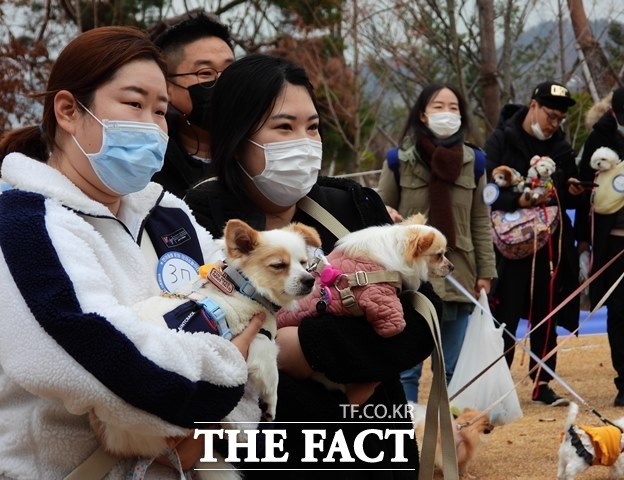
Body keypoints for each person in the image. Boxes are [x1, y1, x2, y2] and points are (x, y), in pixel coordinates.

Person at [0, 26, 263, 479]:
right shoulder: (27, 224)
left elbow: (253, 294)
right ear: (69, 110)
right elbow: (99, 355)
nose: (153, 125)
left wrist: (214, 431)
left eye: (161, 111)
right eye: (134, 104)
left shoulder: (166, 211)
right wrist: (229, 368)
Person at [183, 53, 438, 479]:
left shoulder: (354, 206)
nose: (304, 142)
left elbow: (422, 317)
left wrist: (308, 347)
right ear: (237, 134)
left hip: (373, 447)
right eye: (284, 127)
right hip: (265, 454)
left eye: (313, 127)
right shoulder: (191, 220)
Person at [377, 83, 497, 403]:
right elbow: (377, 218)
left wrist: (486, 272)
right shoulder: (398, 160)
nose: (447, 113)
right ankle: (406, 440)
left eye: (454, 107)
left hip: (459, 274)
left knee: (452, 367)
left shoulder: (476, 162)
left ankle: (449, 441)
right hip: (410, 279)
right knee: (407, 369)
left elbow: (480, 222)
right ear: (422, 114)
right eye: (438, 106)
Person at [484, 80, 584, 406]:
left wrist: (570, 189)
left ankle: (542, 384)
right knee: (506, 316)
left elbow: (568, 191)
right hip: (510, 247)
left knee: (547, 314)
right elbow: (487, 191)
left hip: (550, 247)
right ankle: (498, 387)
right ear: (533, 107)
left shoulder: (562, 147)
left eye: (559, 120)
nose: (553, 124)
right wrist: (520, 199)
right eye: (550, 116)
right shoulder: (501, 139)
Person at [150, 13, 235, 197]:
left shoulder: (261, 154)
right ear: (167, 87)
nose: (224, 83)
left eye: (231, 70)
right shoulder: (150, 166)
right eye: (205, 73)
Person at [576, 86, 624, 406]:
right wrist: (583, 242)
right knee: (619, 313)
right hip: (615, 244)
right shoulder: (599, 139)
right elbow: (582, 194)